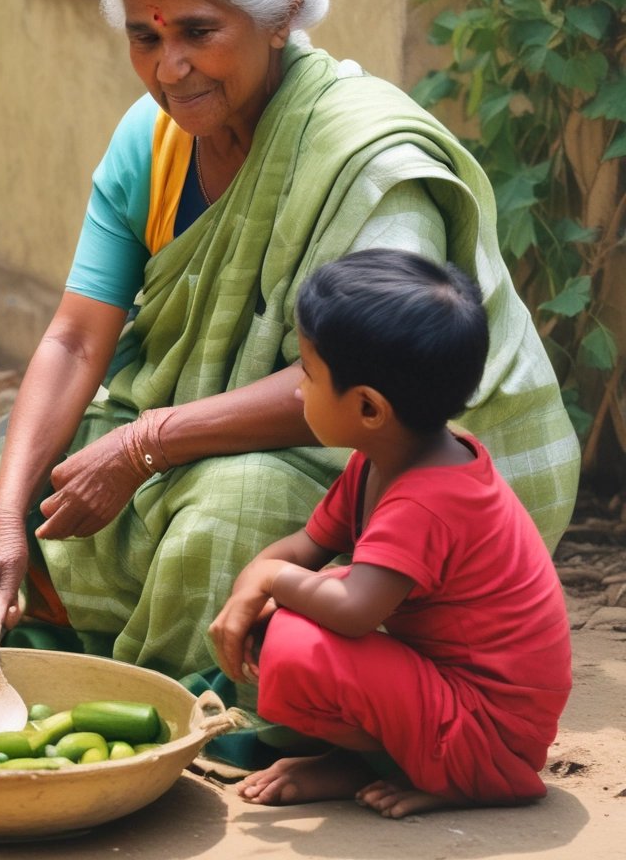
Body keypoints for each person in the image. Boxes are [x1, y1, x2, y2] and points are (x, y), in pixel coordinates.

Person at [0, 0, 578, 690]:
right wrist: (9, 518)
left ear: (280, 17)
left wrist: (145, 444)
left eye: (197, 33)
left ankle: (234, 685)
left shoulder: (365, 157)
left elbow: (375, 378)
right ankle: (139, 617)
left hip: (363, 445)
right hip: (192, 420)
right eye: (144, 38)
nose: (168, 68)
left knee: (229, 512)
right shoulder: (150, 143)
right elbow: (77, 338)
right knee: (21, 456)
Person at [208, 248, 572, 818]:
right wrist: (256, 584)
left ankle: (461, 778)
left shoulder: (429, 500)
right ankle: (380, 759)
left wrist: (271, 577)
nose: (299, 391)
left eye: (308, 372)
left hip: (490, 731)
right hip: (443, 692)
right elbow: (308, 547)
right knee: (281, 615)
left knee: (298, 644)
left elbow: (352, 608)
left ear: (370, 408)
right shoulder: (382, 458)